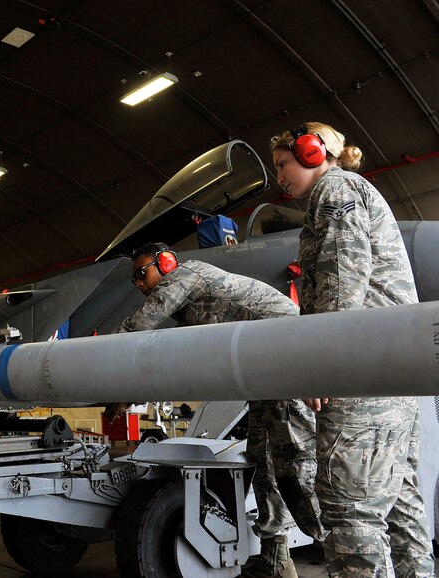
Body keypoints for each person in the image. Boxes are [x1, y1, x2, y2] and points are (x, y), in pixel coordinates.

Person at [271, 122, 435, 577]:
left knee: (349, 514)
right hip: (391, 377)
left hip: (361, 376)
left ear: (311, 151)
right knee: (402, 508)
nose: (279, 175)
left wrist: (324, 370)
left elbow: (343, 289)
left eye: (284, 163)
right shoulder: (354, 190)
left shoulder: (335, 191)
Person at [114, 242, 324, 578]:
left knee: (296, 462)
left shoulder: (185, 276)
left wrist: (100, 370)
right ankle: (275, 556)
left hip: (287, 357)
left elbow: (138, 326)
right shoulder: (190, 306)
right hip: (264, 375)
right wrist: (128, 392)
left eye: (142, 273)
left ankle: (342, 544)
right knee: (264, 459)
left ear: (165, 263)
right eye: (134, 280)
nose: (139, 283)